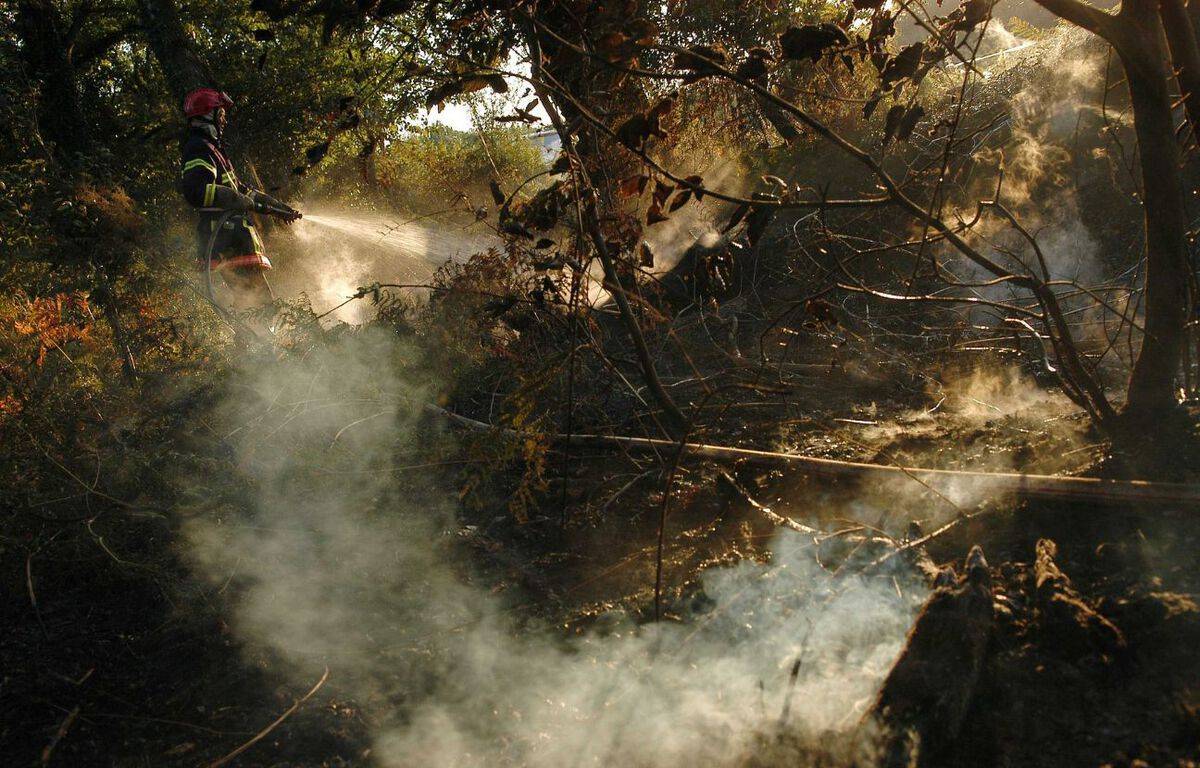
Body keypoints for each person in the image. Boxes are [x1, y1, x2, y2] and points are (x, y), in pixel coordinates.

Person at [178, 88, 301, 321]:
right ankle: (261, 352)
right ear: (207, 114)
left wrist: (275, 206)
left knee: (257, 307)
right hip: (225, 241)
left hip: (234, 240)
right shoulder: (198, 147)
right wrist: (236, 199)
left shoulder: (214, 150)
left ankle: (256, 349)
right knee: (260, 307)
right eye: (220, 113)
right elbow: (196, 192)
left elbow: (240, 190)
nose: (224, 119)